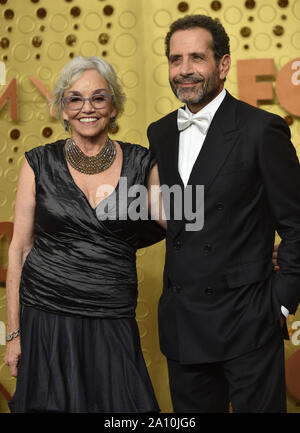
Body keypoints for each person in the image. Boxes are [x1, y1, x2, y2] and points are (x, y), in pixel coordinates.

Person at [147, 15, 300, 413]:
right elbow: (176, 217)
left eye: (196, 57)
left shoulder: (261, 129)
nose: (184, 70)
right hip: (184, 324)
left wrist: (280, 303)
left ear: (224, 64)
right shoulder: (160, 132)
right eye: (175, 59)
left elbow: (297, 223)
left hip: (247, 320)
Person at [4, 56, 165, 413]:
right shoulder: (38, 163)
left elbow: (187, 227)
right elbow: (19, 248)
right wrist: (14, 335)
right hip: (46, 317)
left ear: (114, 106)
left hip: (111, 315)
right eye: (75, 98)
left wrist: (255, 249)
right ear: (62, 108)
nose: (86, 108)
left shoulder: (142, 163)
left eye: (98, 97)